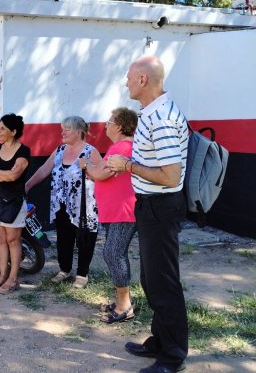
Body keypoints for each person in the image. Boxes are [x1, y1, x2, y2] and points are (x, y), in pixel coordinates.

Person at [107, 56, 189, 373]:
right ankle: (160, 340)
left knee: (163, 281)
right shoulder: (151, 113)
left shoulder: (163, 118)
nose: (125, 82)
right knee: (151, 279)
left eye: (129, 77)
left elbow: (170, 176)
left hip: (161, 205)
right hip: (150, 204)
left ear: (143, 79)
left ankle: (171, 358)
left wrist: (126, 166)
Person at [25, 116, 101, 289]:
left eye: (67, 129)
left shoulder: (91, 151)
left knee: (85, 239)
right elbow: (45, 169)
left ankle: (82, 274)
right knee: (64, 238)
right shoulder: (59, 150)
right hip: (61, 204)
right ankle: (64, 269)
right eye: (62, 128)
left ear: (79, 132)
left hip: (84, 206)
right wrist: (28, 185)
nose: (62, 132)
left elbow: (102, 174)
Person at [83, 107, 138, 324]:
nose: (106, 124)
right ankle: (122, 301)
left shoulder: (124, 147)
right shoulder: (118, 147)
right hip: (116, 211)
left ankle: (125, 306)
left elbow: (99, 173)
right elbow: (101, 173)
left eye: (109, 120)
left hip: (124, 211)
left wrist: (87, 165)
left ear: (119, 125)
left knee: (113, 254)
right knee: (114, 253)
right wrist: (93, 168)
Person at [0, 114, 30, 295]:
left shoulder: (23, 151)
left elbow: (13, 176)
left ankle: (13, 278)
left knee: (13, 240)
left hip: (14, 201)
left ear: (14, 131)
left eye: (2, 128)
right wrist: (1, 174)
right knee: (0, 240)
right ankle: (2, 275)